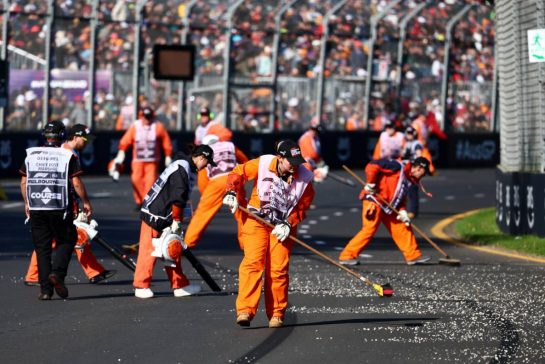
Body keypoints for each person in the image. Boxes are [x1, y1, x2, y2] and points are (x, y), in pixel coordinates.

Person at [222, 140, 315, 328]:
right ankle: (245, 310)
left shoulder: (305, 176)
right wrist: (231, 192)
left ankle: (277, 313)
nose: (295, 167)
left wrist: (289, 223)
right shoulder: (264, 163)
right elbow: (238, 172)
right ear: (280, 158)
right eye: (291, 162)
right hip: (257, 220)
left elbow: (303, 206)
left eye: (297, 162)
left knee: (279, 268)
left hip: (282, 226)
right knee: (252, 263)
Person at [24, 124, 116, 286]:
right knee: (64, 237)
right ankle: (34, 275)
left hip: (62, 201)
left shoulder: (69, 151)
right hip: (61, 202)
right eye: (85, 139)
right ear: (75, 137)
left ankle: (94, 271)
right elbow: (74, 182)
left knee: (70, 236)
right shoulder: (66, 152)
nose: (87, 142)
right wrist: (83, 203)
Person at [20, 120, 92, 300]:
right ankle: (57, 274)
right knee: (67, 240)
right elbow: (76, 182)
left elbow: (23, 181)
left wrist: (27, 202)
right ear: (62, 136)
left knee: (42, 248)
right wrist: (86, 202)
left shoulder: (32, 154)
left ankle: (45, 291)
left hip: (36, 207)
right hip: (60, 207)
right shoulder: (67, 156)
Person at [133, 144, 217, 299]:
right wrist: (177, 221)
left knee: (172, 249)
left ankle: (180, 285)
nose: (206, 167)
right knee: (148, 251)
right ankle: (141, 285)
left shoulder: (182, 164)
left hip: (162, 213)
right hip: (155, 213)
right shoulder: (182, 170)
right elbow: (177, 199)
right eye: (207, 162)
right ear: (201, 158)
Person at [338, 157, 432, 266]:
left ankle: (413, 256)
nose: (423, 177)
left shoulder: (409, 179)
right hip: (374, 201)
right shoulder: (396, 166)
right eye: (424, 174)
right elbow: (372, 165)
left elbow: (400, 198)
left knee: (402, 226)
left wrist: (402, 211)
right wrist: (371, 183)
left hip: (388, 206)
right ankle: (346, 256)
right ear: (419, 169)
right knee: (369, 229)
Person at [184, 134, 249, 249]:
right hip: (234, 179)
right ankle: (247, 244)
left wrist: (207, 198)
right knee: (242, 213)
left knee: (202, 214)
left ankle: (188, 243)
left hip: (216, 182)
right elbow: (245, 161)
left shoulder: (205, 153)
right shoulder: (230, 145)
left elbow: (203, 179)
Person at [112, 106, 173, 209]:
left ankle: (147, 202)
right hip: (138, 161)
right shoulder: (135, 126)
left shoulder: (158, 126)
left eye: (149, 117)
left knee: (150, 182)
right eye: (145, 117)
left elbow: (166, 141)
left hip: (152, 161)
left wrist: (168, 155)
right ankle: (139, 200)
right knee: (136, 179)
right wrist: (122, 151)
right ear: (141, 116)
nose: (146, 120)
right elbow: (125, 140)